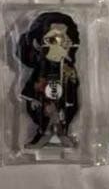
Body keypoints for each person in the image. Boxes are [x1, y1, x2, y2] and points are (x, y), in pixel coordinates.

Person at [18, 12, 80, 147]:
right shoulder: (42, 67)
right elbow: (33, 82)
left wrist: (70, 100)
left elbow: (73, 86)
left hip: (62, 102)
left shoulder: (67, 68)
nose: (59, 46)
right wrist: (33, 98)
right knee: (45, 118)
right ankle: (43, 134)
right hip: (44, 101)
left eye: (64, 41)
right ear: (39, 43)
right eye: (53, 40)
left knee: (62, 118)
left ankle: (63, 133)